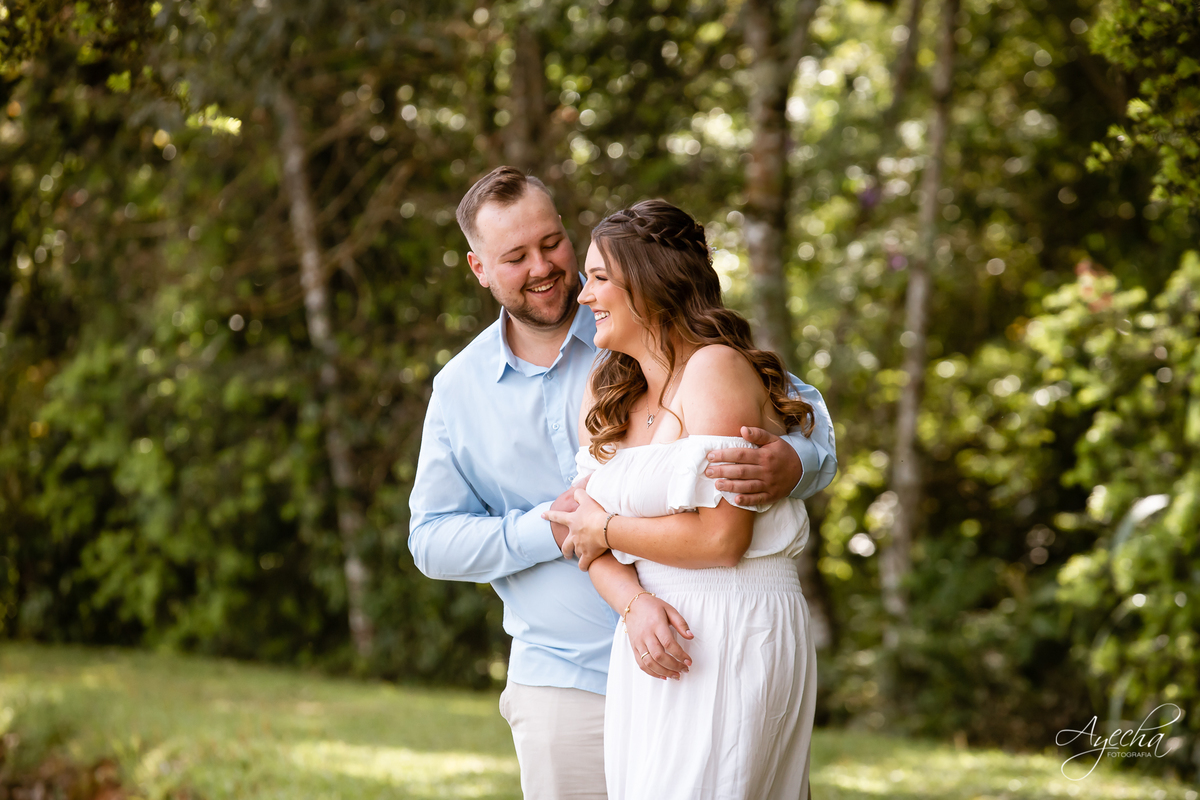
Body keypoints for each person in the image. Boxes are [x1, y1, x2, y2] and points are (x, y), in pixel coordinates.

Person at [408, 167, 837, 800]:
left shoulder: (651, 332)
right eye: (515, 257)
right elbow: (431, 541)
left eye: (551, 242)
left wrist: (795, 462)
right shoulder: (459, 390)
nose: (545, 268)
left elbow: (798, 413)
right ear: (478, 268)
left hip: (709, 651)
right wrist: (553, 528)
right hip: (565, 675)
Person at [544, 199, 818, 799]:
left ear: (649, 284)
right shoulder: (610, 388)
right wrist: (634, 604)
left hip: (734, 625)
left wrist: (609, 529)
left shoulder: (715, 370)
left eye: (598, 278)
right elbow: (576, 529)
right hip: (651, 630)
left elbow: (723, 539)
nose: (583, 295)